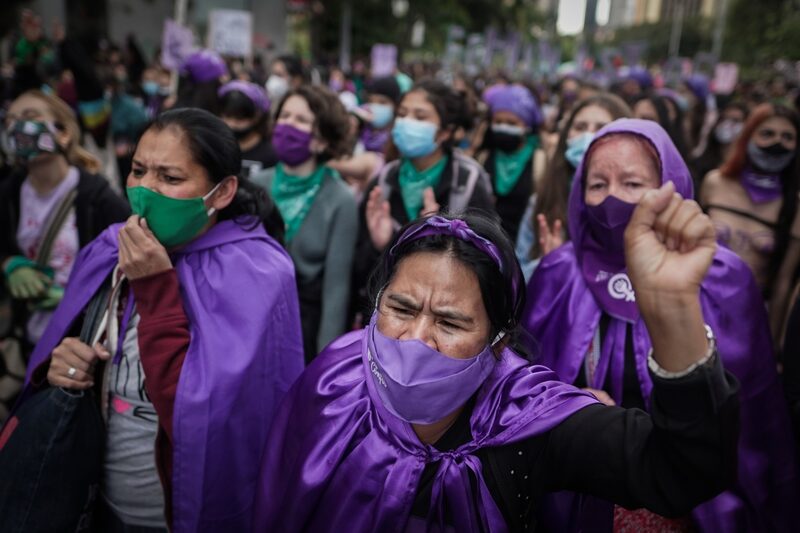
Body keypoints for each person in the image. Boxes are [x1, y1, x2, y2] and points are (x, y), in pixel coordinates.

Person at [254, 204, 740, 531]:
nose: (417, 337)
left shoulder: (532, 420)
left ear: (499, 339)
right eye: (400, 309)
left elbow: (683, 471)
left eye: (449, 321)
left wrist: (672, 309)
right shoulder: (335, 381)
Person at [5, 108, 304, 531]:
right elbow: (66, 356)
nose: (145, 190)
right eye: (138, 170)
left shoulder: (256, 273)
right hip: (95, 499)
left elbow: (198, 414)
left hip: (174, 514)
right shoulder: (110, 250)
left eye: (170, 178)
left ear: (221, 192)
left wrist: (156, 287)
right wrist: (60, 367)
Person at [523, 118, 797, 531]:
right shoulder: (557, 273)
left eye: (632, 183)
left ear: (667, 186)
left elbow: (756, 420)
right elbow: (521, 392)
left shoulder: (722, 276)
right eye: (597, 185)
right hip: (576, 496)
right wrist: (573, 409)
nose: (612, 197)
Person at [350, 79, 494, 327]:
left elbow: (487, 269)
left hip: (440, 326)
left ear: (445, 131)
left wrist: (435, 240)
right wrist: (379, 246)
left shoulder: (468, 183)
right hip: (384, 321)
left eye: (420, 116)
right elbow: (358, 267)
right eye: (402, 114)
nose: (407, 123)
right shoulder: (384, 180)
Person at [0, 90, 129, 349]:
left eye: (29, 116)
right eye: (9, 121)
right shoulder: (7, 193)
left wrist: (78, 298)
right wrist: (9, 263)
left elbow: (129, 264)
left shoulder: (98, 198)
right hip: (30, 338)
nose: (16, 127)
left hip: (83, 342)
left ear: (63, 133)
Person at [251, 85, 357, 362]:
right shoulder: (255, 185)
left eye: (301, 120)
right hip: (252, 319)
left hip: (301, 328)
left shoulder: (340, 199)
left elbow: (336, 290)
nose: (288, 125)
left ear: (322, 140)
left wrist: (326, 362)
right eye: (284, 116)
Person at [700, 103, 800, 344]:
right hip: (699, 308)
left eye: (788, 137)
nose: (777, 143)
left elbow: (784, 283)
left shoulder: (794, 206)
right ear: (748, 136)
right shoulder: (715, 183)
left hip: (751, 321)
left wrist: (774, 344)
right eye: (767, 134)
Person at [516, 94, 631, 280]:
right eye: (580, 127)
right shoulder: (542, 201)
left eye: (602, 128)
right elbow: (518, 280)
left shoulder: (634, 203)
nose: (589, 135)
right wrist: (551, 263)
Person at [476, 84, 545, 241]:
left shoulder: (540, 161)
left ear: (526, 125)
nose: (503, 127)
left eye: (511, 123)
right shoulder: (483, 157)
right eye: (498, 121)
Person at [218, 80, 278, 178]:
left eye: (239, 119)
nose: (232, 124)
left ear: (256, 116)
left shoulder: (271, 154)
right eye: (228, 117)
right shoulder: (217, 150)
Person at [692, 102, 748, 187]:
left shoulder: (746, 168)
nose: (728, 124)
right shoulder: (700, 162)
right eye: (724, 119)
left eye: (735, 120)